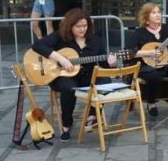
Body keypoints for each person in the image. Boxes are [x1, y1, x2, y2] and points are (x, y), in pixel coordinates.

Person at [32, 8, 116, 142]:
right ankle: (66, 124)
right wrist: (60, 58)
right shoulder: (60, 36)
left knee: (105, 80)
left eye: (85, 26)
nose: (82, 29)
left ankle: (93, 116)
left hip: (86, 76)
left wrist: (111, 63)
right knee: (69, 88)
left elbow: (104, 63)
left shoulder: (95, 40)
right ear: (70, 26)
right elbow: (37, 45)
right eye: (78, 26)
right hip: (63, 76)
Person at [128, 3, 168, 117]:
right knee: (154, 75)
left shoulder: (166, 28)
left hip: (163, 61)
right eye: (154, 13)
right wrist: (149, 53)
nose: (158, 15)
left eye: (158, 12)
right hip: (146, 65)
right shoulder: (139, 33)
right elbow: (130, 52)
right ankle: (151, 102)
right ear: (146, 17)